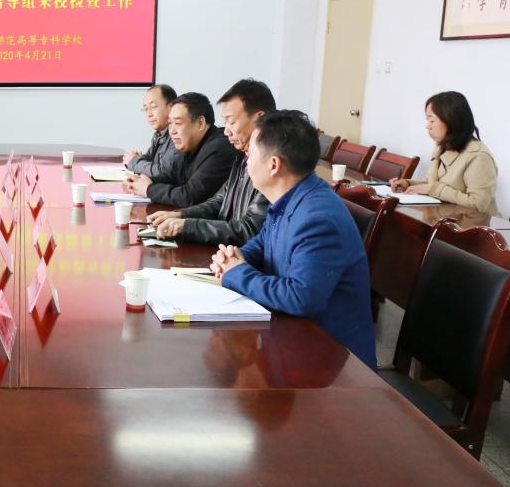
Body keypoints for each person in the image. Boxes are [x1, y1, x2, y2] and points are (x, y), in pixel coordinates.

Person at [210, 110, 377, 370]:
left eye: (250, 154)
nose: (246, 161)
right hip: (295, 341)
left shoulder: (317, 217)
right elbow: (263, 243)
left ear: (273, 165)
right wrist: (233, 257)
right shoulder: (292, 196)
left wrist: (236, 273)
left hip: (332, 364)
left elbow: (300, 296)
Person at [147, 79, 275, 244]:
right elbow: (219, 201)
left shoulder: (270, 165)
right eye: (225, 122)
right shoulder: (243, 155)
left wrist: (187, 226)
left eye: (232, 122)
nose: (226, 131)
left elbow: (249, 230)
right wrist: (180, 215)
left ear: (260, 119)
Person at [390, 91, 499, 215]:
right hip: (442, 218)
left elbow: (477, 205)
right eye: (427, 120)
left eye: (432, 121)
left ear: (451, 121)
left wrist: (433, 189)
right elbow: (434, 183)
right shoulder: (442, 146)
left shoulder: (479, 156)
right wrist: (408, 183)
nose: (427, 126)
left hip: (470, 224)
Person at [124, 92, 239, 206]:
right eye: (170, 124)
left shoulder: (220, 149)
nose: (172, 131)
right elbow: (171, 175)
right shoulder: (191, 144)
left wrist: (148, 189)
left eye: (178, 123)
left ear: (200, 123)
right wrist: (139, 182)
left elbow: (190, 196)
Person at [123, 83, 180, 178]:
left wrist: (134, 161)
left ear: (171, 107)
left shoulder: (177, 135)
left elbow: (164, 172)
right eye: (146, 109)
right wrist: (137, 158)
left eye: (153, 107)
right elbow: (150, 159)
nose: (149, 114)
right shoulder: (159, 134)